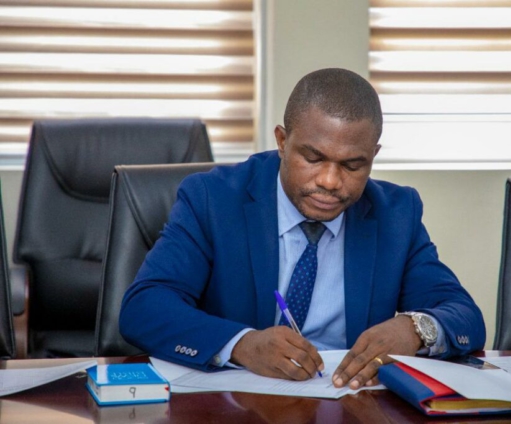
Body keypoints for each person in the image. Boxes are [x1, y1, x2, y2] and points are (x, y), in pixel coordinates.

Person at [119, 68, 485, 390]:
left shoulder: (396, 213)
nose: (330, 181)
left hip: (350, 403)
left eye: (352, 166)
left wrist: (415, 329)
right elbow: (144, 307)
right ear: (282, 142)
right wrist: (243, 344)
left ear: (373, 156)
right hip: (238, 406)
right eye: (313, 158)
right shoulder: (213, 199)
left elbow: (464, 315)